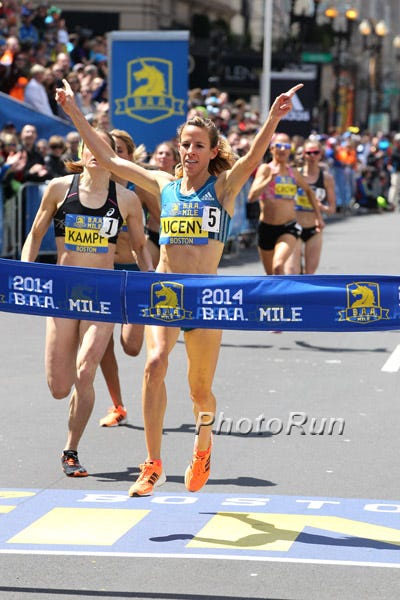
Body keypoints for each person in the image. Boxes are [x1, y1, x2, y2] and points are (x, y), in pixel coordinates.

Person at [56, 78, 303, 495]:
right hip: (166, 293)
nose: (189, 152)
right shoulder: (162, 186)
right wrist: (74, 112)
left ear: (212, 151)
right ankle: (152, 464)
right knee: (154, 365)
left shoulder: (222, 188)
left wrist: (273, 119)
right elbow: (111, 162)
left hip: (204, 299)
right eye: (185, 144)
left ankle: (203, 448)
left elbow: (254, 156)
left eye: (198, 146)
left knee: (200, 391)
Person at [20, 129, 153, 477]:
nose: (95, 152)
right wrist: (22, 274)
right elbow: (35, 234)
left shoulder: (125, 199)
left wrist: (151, 281)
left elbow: (140, 248)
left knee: (85, 371)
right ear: (81, 150)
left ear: (114, 156)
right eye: (89, 146)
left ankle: (71, 449)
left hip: (102, 295)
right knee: (59, 387)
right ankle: (71, 435)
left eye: (104, 148)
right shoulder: (60, 188)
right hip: (62, 295)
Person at [98, 128, 161, 427]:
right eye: (109, 148)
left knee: (131, 347)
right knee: (101, 345)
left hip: (135, 272)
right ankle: (118, 405)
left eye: (119, 150)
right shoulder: (96, 188)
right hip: (105, 274)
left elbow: (165, 222)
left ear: (129, 156)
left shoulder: (139, 189)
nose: (113, 155)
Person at [248, 132, 324, 275]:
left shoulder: (293, 173)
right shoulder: (265, 169)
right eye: (279, 146)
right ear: (272, 149)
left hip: (288, 227)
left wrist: (318, 217)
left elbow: (309, 191)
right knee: (270, 275)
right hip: (266, 227)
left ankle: (285, 297)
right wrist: (268, 180)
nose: (282, 149)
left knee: (278, 266)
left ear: (290, 149)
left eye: (286, 146)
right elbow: (252, 196)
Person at [286, 138, 336, 274]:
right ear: (303, 154)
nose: (312, 156)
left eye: (315, 152)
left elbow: (332, 209)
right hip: (294, 226)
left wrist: (321, 207)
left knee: (310, 273)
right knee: (291, 271)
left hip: (314, 228)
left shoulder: (326, 178)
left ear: (321, 154)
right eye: (309, 153)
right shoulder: (295, 174)